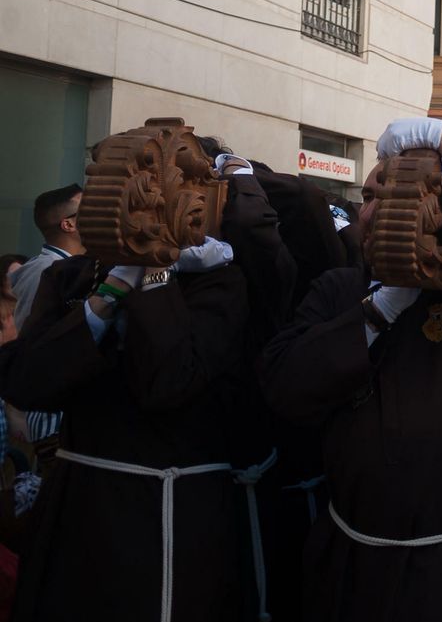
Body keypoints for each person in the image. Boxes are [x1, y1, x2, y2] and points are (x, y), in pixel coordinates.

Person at [260, 118, 442, 622]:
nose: (381, 210)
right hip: (350, 555)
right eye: (371, 196)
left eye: (404, 196)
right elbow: (285, 385)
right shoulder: (338, 290)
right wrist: (374, 314)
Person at [0, 170, 254, 622]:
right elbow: (27, 381)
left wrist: (156, 276)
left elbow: (170, 383)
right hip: (80, 502)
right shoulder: (69, 276)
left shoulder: (219, 280)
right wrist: (107, 297)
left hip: (176, 509)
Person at [11, 184, 83, 329]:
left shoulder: (76, 265)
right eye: (89, 209)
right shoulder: (43, 271)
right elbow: (33, 335)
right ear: (68, 224)